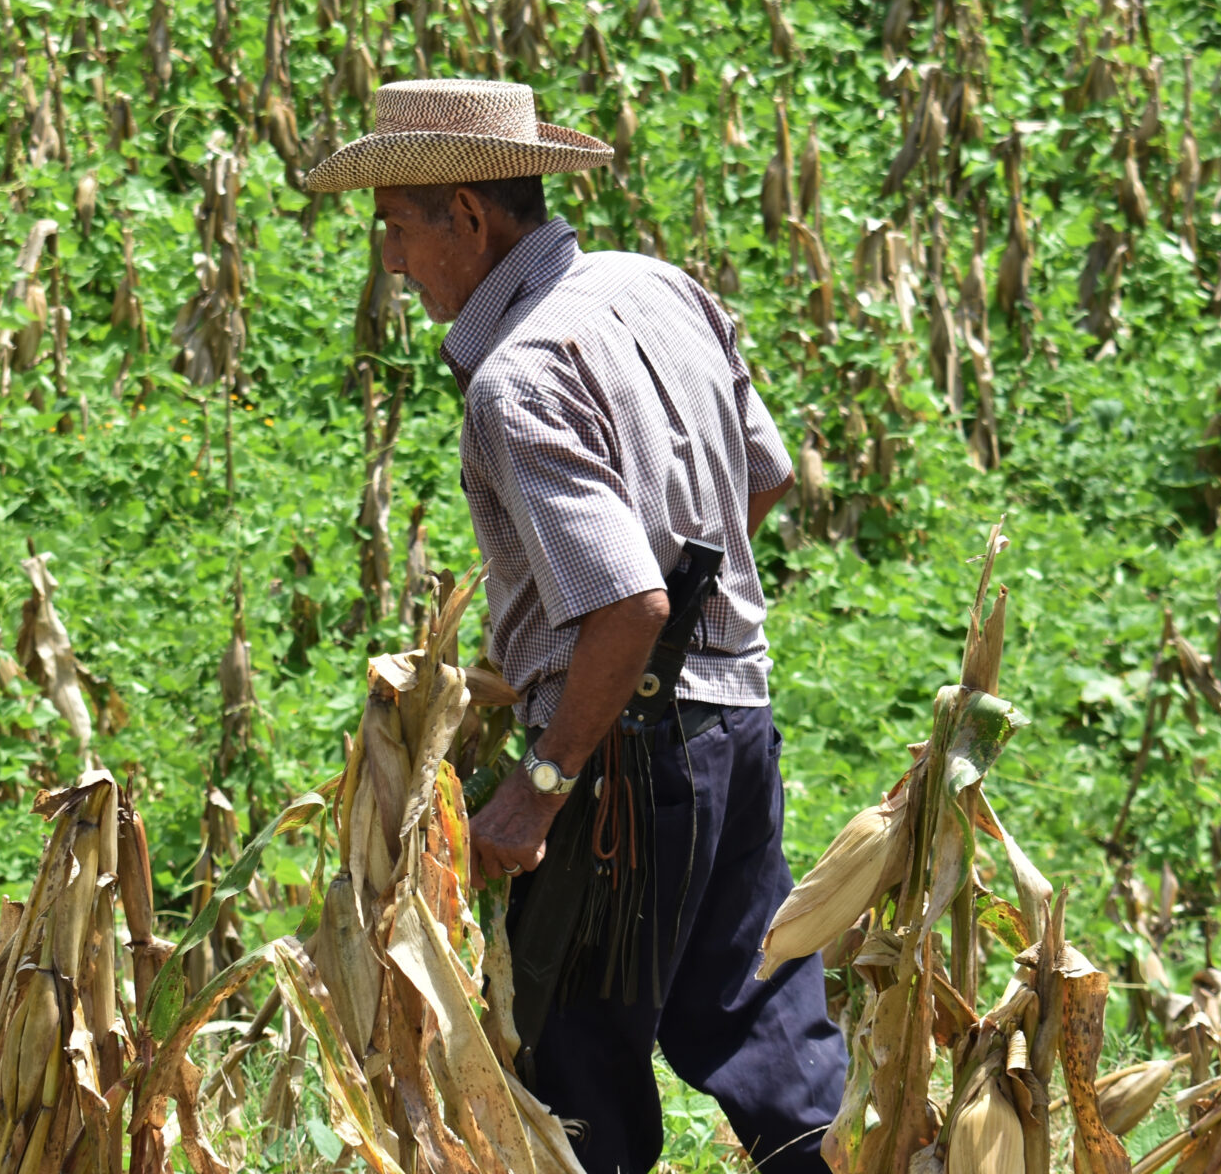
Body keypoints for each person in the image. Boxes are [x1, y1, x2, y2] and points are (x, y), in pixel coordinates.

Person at [304, 79, 846, 1174]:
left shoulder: (520, 379)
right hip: (735, 722)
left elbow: (628, 605)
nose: (393, 262)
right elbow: (766, 476)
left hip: (624, 769)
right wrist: (675, 622)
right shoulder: (656, 286)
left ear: (467, 215)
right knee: (764, 1028)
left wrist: (544, 782)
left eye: (397, 229)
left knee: (569, 1070)